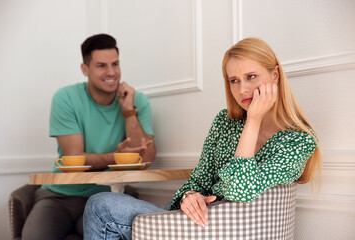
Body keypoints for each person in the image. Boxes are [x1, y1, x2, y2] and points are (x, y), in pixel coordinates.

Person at [83, 37, 321, 240]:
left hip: (216, 229)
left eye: (251, 76)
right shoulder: (224, 122)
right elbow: (196, 182)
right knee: (102, 204)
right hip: (192, 219)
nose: (242, 90)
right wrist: (189, 196)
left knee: (101, 206)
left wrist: (253, 120)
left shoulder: (298, 141)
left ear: (275, 75)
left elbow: (240, 190)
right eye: (234, 80)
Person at [21, 34, 156, 240]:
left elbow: (145, 159)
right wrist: (115, 157)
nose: (111, 72)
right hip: (61, 196)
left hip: (109, 197)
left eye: (115, 64)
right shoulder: (66, 98)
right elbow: (74, 157)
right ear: (85, 69)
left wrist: (129, 112)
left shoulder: (136, 100)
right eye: (101, 65)